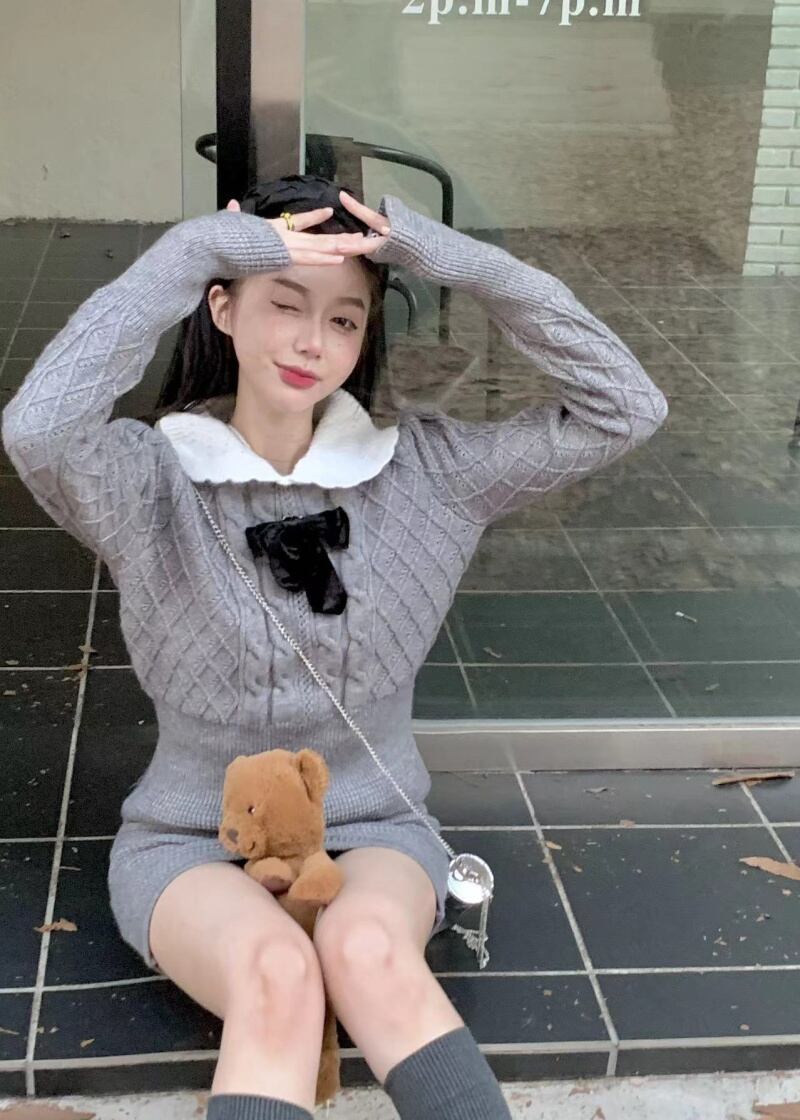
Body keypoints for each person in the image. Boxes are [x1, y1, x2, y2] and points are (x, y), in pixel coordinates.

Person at [1, 174, 668, 1120]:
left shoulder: (431, 474)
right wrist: (188, 252)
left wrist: (453, 260)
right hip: (191, 837)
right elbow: (36, 426)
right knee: (277, 974)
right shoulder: (144, 481)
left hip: (373, 823)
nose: (314, 342)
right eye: (284, 304)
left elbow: (626, 407)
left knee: (368, 952)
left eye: (345, 320)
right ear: (223, 310)